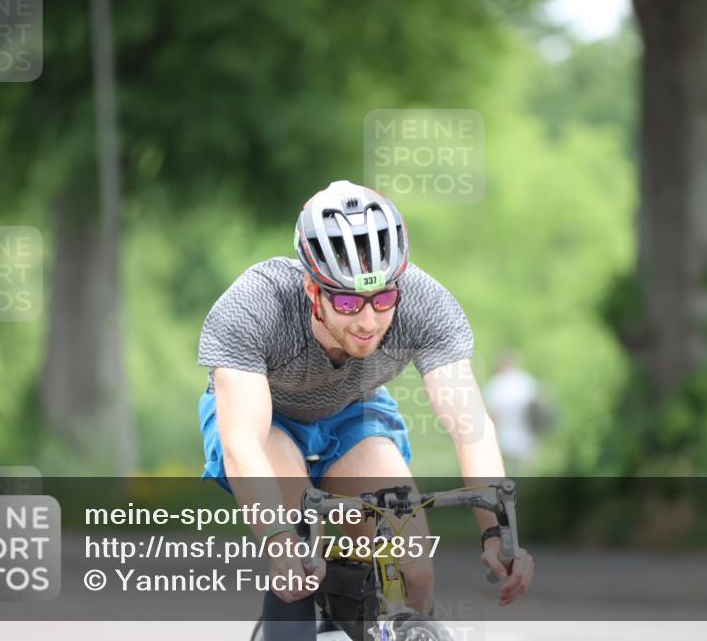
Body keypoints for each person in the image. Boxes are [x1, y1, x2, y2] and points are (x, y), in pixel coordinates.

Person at [197, 180, 534, 639]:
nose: (368, 321)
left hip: (353, 414)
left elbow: (470, 427)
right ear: (311, 288)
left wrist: (498, 534)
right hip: (267, 419)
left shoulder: (425, 304)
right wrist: (277, 541)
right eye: (348, 301)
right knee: (298, 555)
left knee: (413, 566)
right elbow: (242, 442)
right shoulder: (255, 306)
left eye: (382, 299)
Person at [484, 351, 540, 471]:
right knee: (524, 470)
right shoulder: (525, 380)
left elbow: (491, 414)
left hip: (507, 435)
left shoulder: (496, 384)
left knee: (504, 471)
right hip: (525, 435)